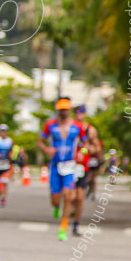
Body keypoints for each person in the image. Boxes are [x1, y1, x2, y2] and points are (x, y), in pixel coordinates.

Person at [38, 97, 86, 241]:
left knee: (68, 196)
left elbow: (85, 144)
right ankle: (56, 207)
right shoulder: (50, 125)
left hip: (70, 165)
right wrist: (46, 149)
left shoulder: (77, 126)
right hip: (54, 165)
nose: (63, 112)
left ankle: (63, 228)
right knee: (55, 199)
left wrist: (81, 153)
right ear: (57, 110)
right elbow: (40, 142)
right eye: (61, 110)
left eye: (65, 109)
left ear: (69, 110)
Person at [70, 105, 102, 234]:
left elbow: (97, 147)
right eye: (76, 113)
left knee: (80, 197)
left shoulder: (90, 130)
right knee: (70, 196)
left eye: (81, 113)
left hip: (83, 166)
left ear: (85, 114)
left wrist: (89, 149)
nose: (79, 115)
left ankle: (76, 224)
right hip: (69, 165)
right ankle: (69, 210)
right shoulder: (70, 127)